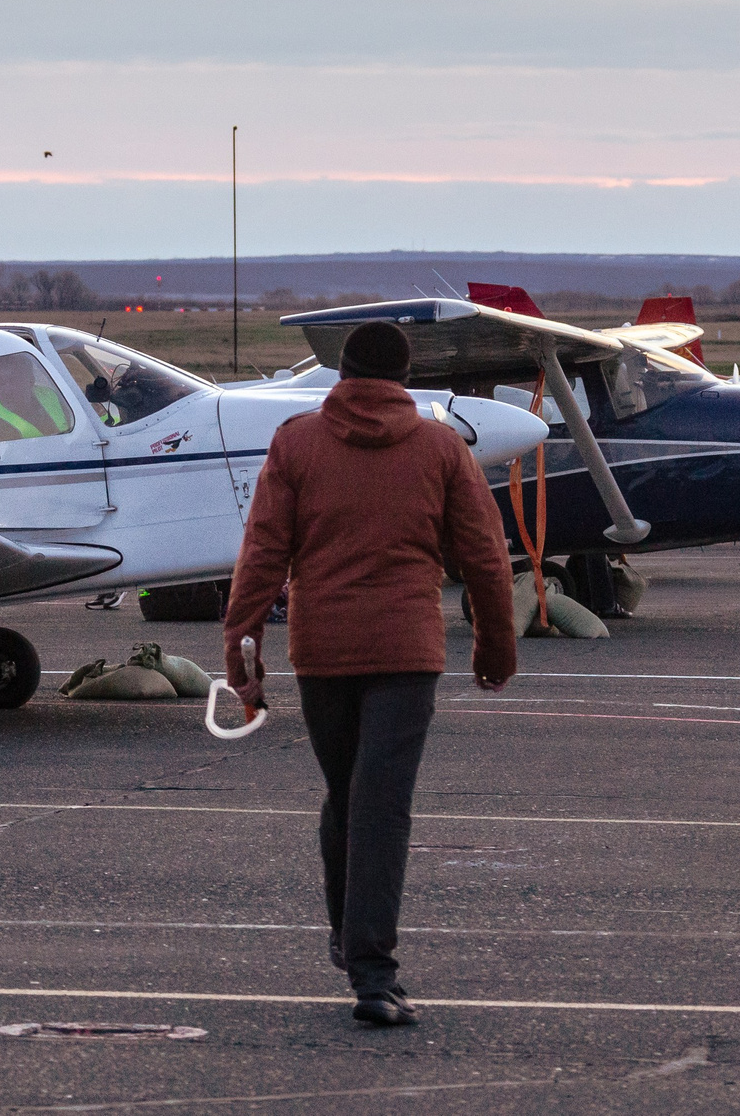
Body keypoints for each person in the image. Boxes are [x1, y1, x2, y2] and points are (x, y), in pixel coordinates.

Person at [222, 320, 517, 1028]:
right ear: (404, 377)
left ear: (342, 373)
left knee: (352, 795)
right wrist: (495, 646)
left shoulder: (296, 442)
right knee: (377, 801)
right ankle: (373, 971)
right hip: (408, 653)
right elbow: (484, 555)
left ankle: (352, 939)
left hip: (323, 652)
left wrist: (243, 654)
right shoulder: (442, 446)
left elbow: (262, 551)